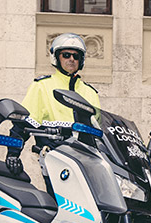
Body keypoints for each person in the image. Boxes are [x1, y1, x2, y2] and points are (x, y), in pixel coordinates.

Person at [6, 32, 101, 175]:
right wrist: (13, 154)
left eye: (76, 56)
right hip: (54, 158)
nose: (71, 59)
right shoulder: (42, 86)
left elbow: (100, 133)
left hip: (85, 163)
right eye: (66, 55)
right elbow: (22, 125)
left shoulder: (90, 92)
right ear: (56, 58)